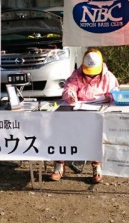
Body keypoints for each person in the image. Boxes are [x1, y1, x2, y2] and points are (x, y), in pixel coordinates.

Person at [49, 48, 119, 184]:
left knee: (97, 130)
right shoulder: (77, 74)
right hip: (78, 110)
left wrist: (108, 97)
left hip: (98, 112)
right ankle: (59, 163)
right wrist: (70, 95)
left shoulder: (108, 76)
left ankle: (97, 165)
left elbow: (116, 92)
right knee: (58, 122)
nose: (91, 76)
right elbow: (68, 88)